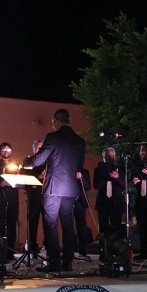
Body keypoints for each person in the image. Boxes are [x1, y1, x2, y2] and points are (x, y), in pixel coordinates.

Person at [26, 108, 86, 273]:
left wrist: (26, 161)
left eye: (52, 122)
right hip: (70, 189)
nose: (52, 125)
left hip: (54, 187)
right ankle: (67, 262)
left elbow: (39, 159)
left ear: (57, 121)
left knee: (51, 224)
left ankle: (54, 263)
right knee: (67, 225)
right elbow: (79, 166)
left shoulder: (53, 137)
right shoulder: (80, 141)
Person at [0, 142, 21, 254]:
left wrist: (14, 180)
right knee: (0, 223)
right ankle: (0, 250)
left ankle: (11, 250)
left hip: (13, 198)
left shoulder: (16, 165)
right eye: (3, 150)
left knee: (12, 223)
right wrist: (0, 183)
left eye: (8, 149)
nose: (6, 152)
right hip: (1, 197)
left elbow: (21, 182)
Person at [93, 146, 127, 245]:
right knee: (103, 228)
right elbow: (96, 185)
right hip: (103, 202)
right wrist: (107, 177)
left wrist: (117, 177)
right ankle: (104, 250)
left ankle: (116, 250)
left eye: (112, 155)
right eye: (107, 156)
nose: (110, 157)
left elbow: (123, 185)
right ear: (103, 157)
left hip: (116, 202)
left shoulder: (120, 168)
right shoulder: (98, 169)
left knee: (117, 227)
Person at [24, 139, 47, 258]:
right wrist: (39, 176)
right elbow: (25, 177)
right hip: (33, 196)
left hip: (47, 197)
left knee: (48, 223)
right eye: (38, 148)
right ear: (34, 149)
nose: (40, 150)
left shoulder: (48, 162)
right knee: (32, 223)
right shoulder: (29, 161)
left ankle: (47, 247)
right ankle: (32, 248)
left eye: (42, 148)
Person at [73, 167, 92, 259]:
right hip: (68, 201)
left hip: (80, 202)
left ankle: (82, 252)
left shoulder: (84, 171)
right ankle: (69, 252)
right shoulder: (66, 169)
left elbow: (88, 186)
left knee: (81, 227)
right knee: (68, 227)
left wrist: (81, 178)